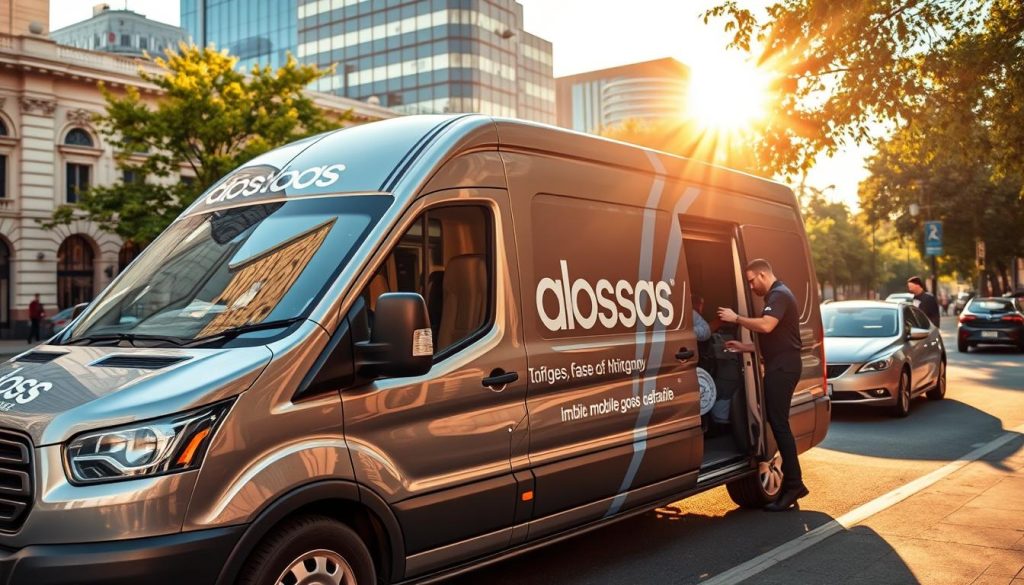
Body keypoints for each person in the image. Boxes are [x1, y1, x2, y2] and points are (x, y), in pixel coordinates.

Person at [717, 259, 807, 512]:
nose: (751, 286)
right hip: (782, 364)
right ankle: (794, 483)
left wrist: (737, 318)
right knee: (778, 423)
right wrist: (745, 347)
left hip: (783, 368)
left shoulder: (778, 295)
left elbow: (767, 326)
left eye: (751, 280)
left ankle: (794, 484)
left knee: (779, 425)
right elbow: (776, 340)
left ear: (762, 275)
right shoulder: (778, 295)